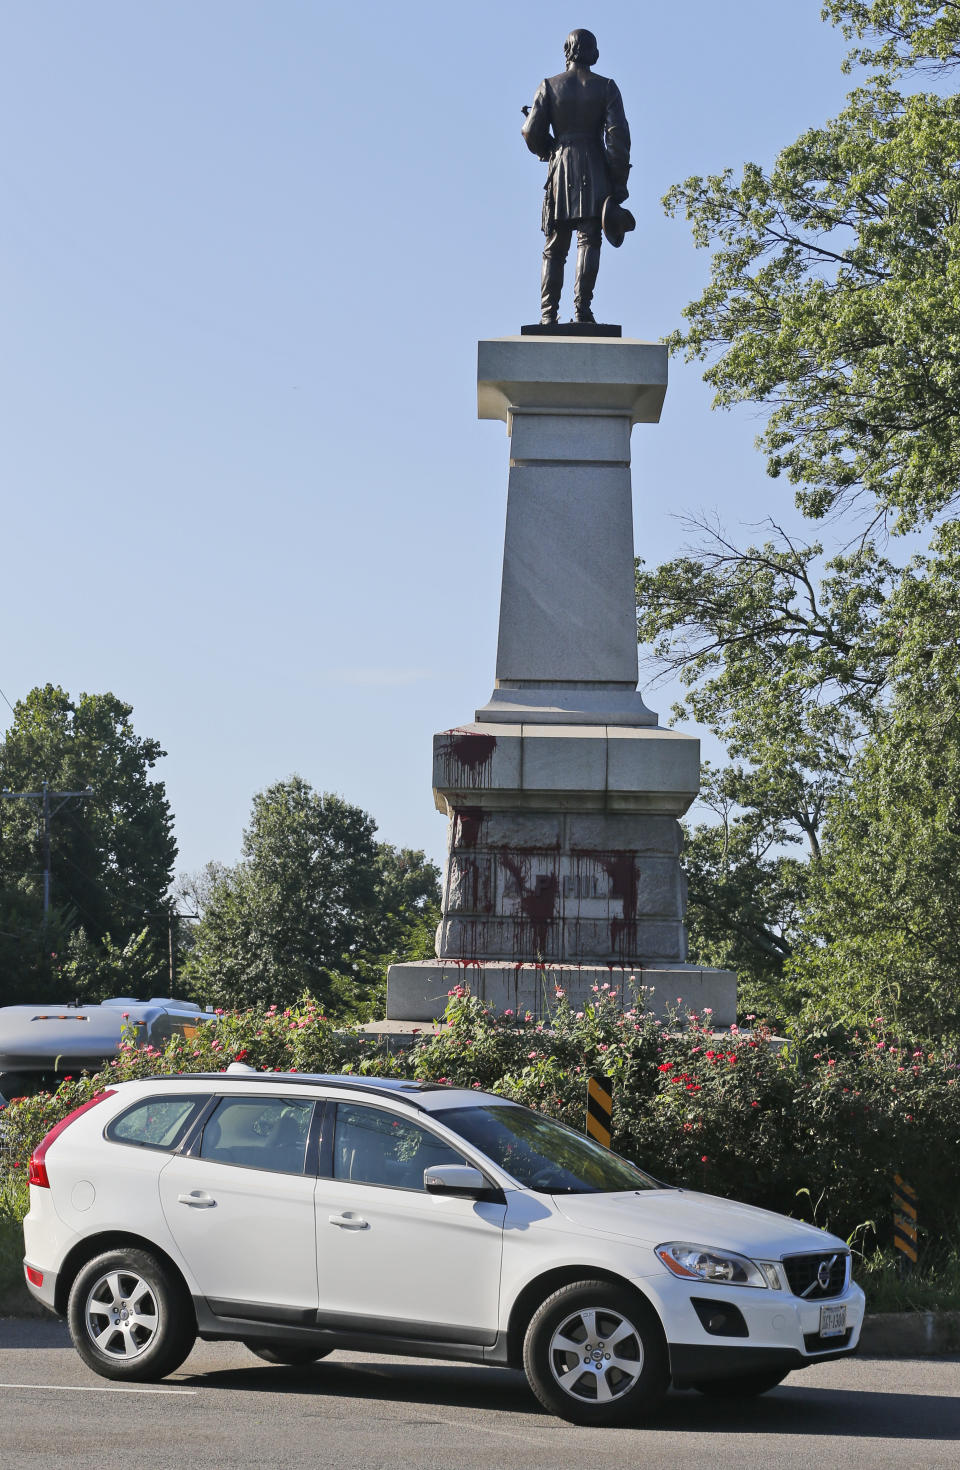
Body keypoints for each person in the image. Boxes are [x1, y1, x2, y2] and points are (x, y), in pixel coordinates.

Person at [522, 29, 631, 325]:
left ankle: (548, 315)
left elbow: (531, 132)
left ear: (567, 50)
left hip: (561, 164)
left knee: (555, 246)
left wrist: (548, 148)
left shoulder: (548, 86)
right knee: (589, 239)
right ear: (593, 53)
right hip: (594, 167)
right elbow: (617, 138)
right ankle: (582, 310)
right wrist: (619, 182)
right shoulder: (606, 87)